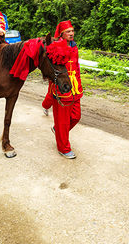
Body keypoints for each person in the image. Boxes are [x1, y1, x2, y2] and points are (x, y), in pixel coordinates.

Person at [41, 20, 83, 159]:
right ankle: (63, 148)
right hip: (62, 86)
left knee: (76, 117)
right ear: (61, 34)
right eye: (68, 32)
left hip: (75, 86)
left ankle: (57, 130)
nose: (71, 34)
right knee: (63, 121)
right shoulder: (55, 46)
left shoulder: (74, 46)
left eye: (72, 31)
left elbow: (76, 67)